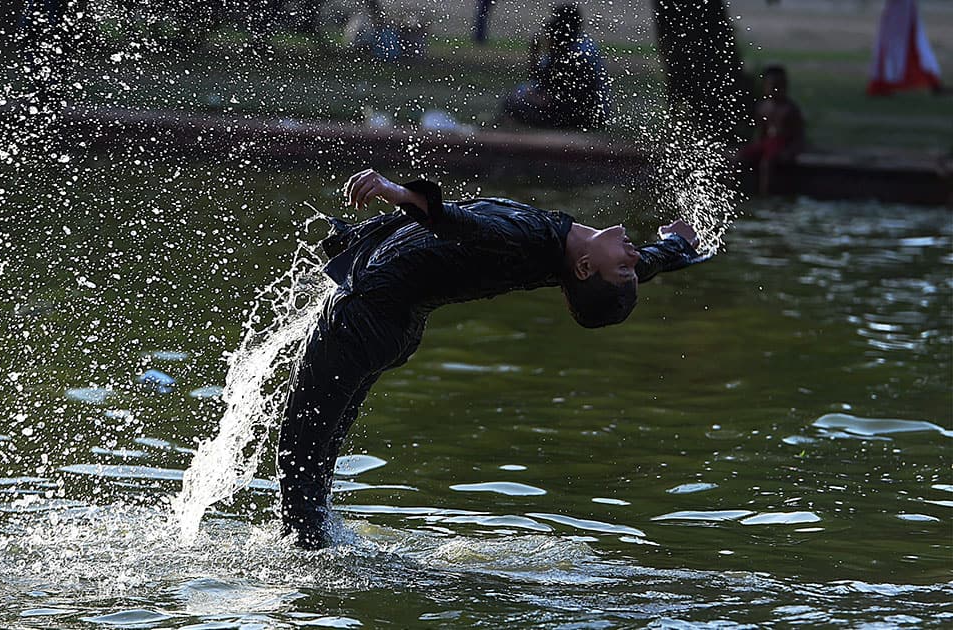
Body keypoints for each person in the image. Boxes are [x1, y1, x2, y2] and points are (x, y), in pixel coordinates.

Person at [278, 169, 712, 549]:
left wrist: (402, 194)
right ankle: (316, 546)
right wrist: (675, 244)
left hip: (365, 319)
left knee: (299, 457)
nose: (632, 257)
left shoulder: (529, 242)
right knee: (311, 461)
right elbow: (643, 265)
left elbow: (466, 226)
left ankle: (308, 568)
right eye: (630, 267)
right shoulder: (562, 251)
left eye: (623, 268)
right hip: (381, 323)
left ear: (584, 269)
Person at [500, 3, 611, 129]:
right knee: (521, 92)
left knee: (514, 102)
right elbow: (541, 81)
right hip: (590, 113)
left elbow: (549, 88)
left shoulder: (574, 54)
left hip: (582, 116)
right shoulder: (580, 45)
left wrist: (536, 53)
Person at [737, 65, 804, 195]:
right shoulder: (763, 107)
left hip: (781, 144)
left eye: (780, 85)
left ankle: (765, 195)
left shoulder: (790, 109)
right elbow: (760, 133)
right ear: (765, 86)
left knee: (767, 165)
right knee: (739, 157)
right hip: (766, 143)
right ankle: (734, 192)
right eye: (773, 85)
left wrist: (791, 151)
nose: (776, 89)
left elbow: (799, 136)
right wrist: (754, 146)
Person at [867, 0, 943, 96]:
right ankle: (885, 82)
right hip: (898, 11)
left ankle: (932, 80)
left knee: (916, 43)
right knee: (896, 44)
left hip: (905, 10)